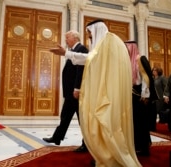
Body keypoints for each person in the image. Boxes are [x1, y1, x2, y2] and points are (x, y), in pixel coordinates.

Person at [50, 20, 141, 167]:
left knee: (107, 123)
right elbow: (93, 60)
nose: (89, 37)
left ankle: (112, 158)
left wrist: (66, 53)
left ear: (97, 29)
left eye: (90, 33)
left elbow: (91, 59)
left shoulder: (108, 41)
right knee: (100, 124)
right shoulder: (106, 42)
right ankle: (103, 156)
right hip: (105, 90)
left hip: (109, 93)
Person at [43, 30, 88, 152]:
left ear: (75, 38)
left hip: (76, 92)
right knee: (66, 116)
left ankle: (87, 144)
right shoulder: (73, 50)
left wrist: (77, 88)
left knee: (82, 120)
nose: (66, 40)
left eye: (67, 37)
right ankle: (57, 137)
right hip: (71, 92)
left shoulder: (82, 48)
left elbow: (81, 70)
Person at [124, 41, 158, 156]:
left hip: (140, 96)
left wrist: (145, 94)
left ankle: (143, 147)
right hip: (131, 95)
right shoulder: (127, 60)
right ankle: (134, 145)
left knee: (140, 122)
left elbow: (145, 78)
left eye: (127, 47)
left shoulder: (140, 59)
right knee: (132, 122)